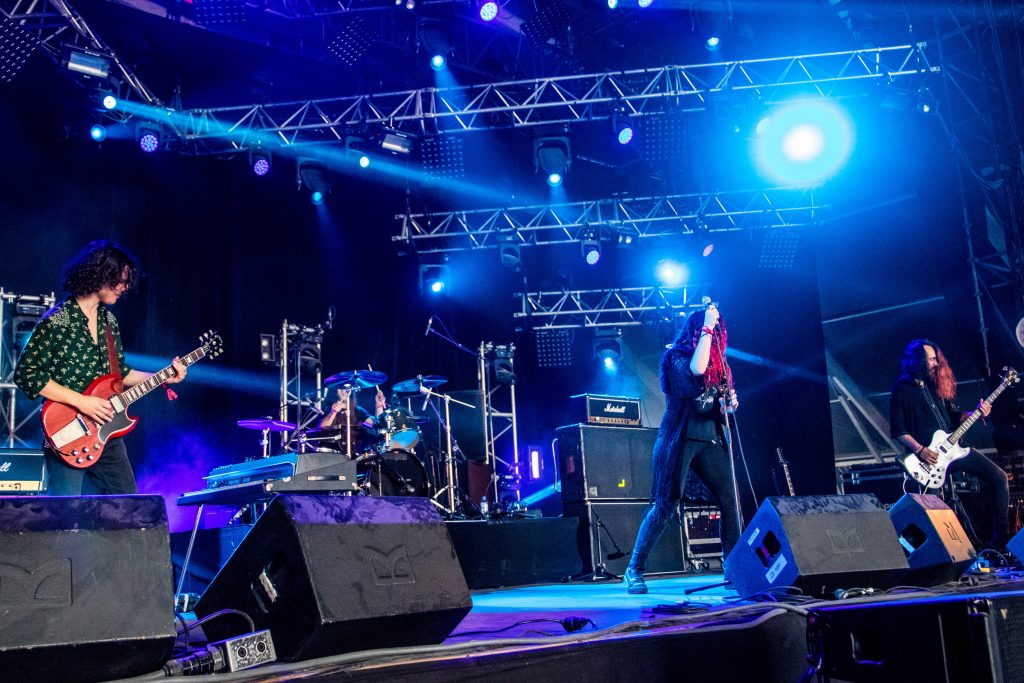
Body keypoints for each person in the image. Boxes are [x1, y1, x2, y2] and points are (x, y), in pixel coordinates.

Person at [13, 240, 187, 496]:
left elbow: (121, 375)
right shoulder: (57, 320)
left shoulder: (109, 321)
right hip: (68, 431)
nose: (125, 288)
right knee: (65, 513)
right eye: (121, 280)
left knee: (129, 508)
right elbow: (26, 374)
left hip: (107, 433)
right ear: (101, 275)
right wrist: (82, 402)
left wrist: (163, 377)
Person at [623, 302, 742, 594]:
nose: (714, 336)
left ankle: (734, 566)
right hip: (679, 438)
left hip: (710, 439)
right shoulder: (675, 357)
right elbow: (696, 369)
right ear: (697, 330)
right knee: (666, 504)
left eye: (716, 332)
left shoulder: (721, 366)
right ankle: (634, 569)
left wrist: (729, 404)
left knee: (730, 501)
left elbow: (721, 404)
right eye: (709, 331)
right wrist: (708, 325)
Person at [889, 339, 1010, 549]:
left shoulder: (935, 386)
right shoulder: (901, 390)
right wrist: (920, 449)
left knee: (1000, 478)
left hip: (954, 449)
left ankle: (1000, 542)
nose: (936, 364)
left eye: (936, 359)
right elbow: (898, 430)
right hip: (929, 459)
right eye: (931, 359)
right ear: (916, 360)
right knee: (929, 510)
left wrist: (976, 413)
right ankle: (918, 552)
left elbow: (954, 417)